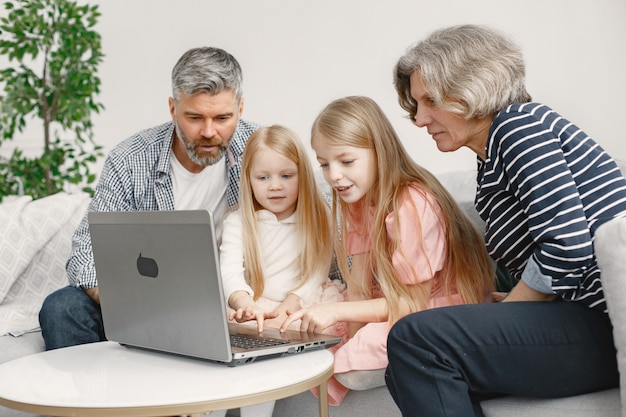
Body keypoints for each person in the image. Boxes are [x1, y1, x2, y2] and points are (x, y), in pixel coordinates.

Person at [386, 24, 626, 417]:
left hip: (606, 322)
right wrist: (508, 307)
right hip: (584, 319)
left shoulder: (519, 127)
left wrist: (508, 310)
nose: (419, 118)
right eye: (416, 104)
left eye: (430, 101)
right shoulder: (494, 153)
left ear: (472, 87)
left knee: (417, 340)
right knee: (404, 368)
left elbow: (567, 246)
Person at [39, 46, 258, 351]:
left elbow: (314, 213)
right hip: (149, 298)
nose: (209, 132)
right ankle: (99, 398)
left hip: (234, 295)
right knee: (61, 309)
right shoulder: (131, 158)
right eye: (194, 117)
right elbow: (86, 249)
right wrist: (126, 300)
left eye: (223, 117)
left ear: (241, 108)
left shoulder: (262, 150)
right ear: (172, 108)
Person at [281, 95, 495, 405]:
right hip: (394, 300)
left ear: (379, 153)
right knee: (320, 332)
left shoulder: (411, 204)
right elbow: (356, 288)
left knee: (362, 339)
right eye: (324, 164)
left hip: (436, 309)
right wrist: (343, 334)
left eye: (346, 161)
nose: (333, 176)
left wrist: (339, 319)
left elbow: (411, 306)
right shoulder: (358, 201)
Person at [219, 125, 343, 333]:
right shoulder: (237, 222)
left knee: (313, 328)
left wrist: (288, 308)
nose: (275, 186)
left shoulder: (320, 217)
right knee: (237, 330)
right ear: (249, 180)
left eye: (286, 176)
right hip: (256, 304)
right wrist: (245, 303)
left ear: (302, 175)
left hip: (303, 301)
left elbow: (317, 273)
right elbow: (229, 273)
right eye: (263, 178)